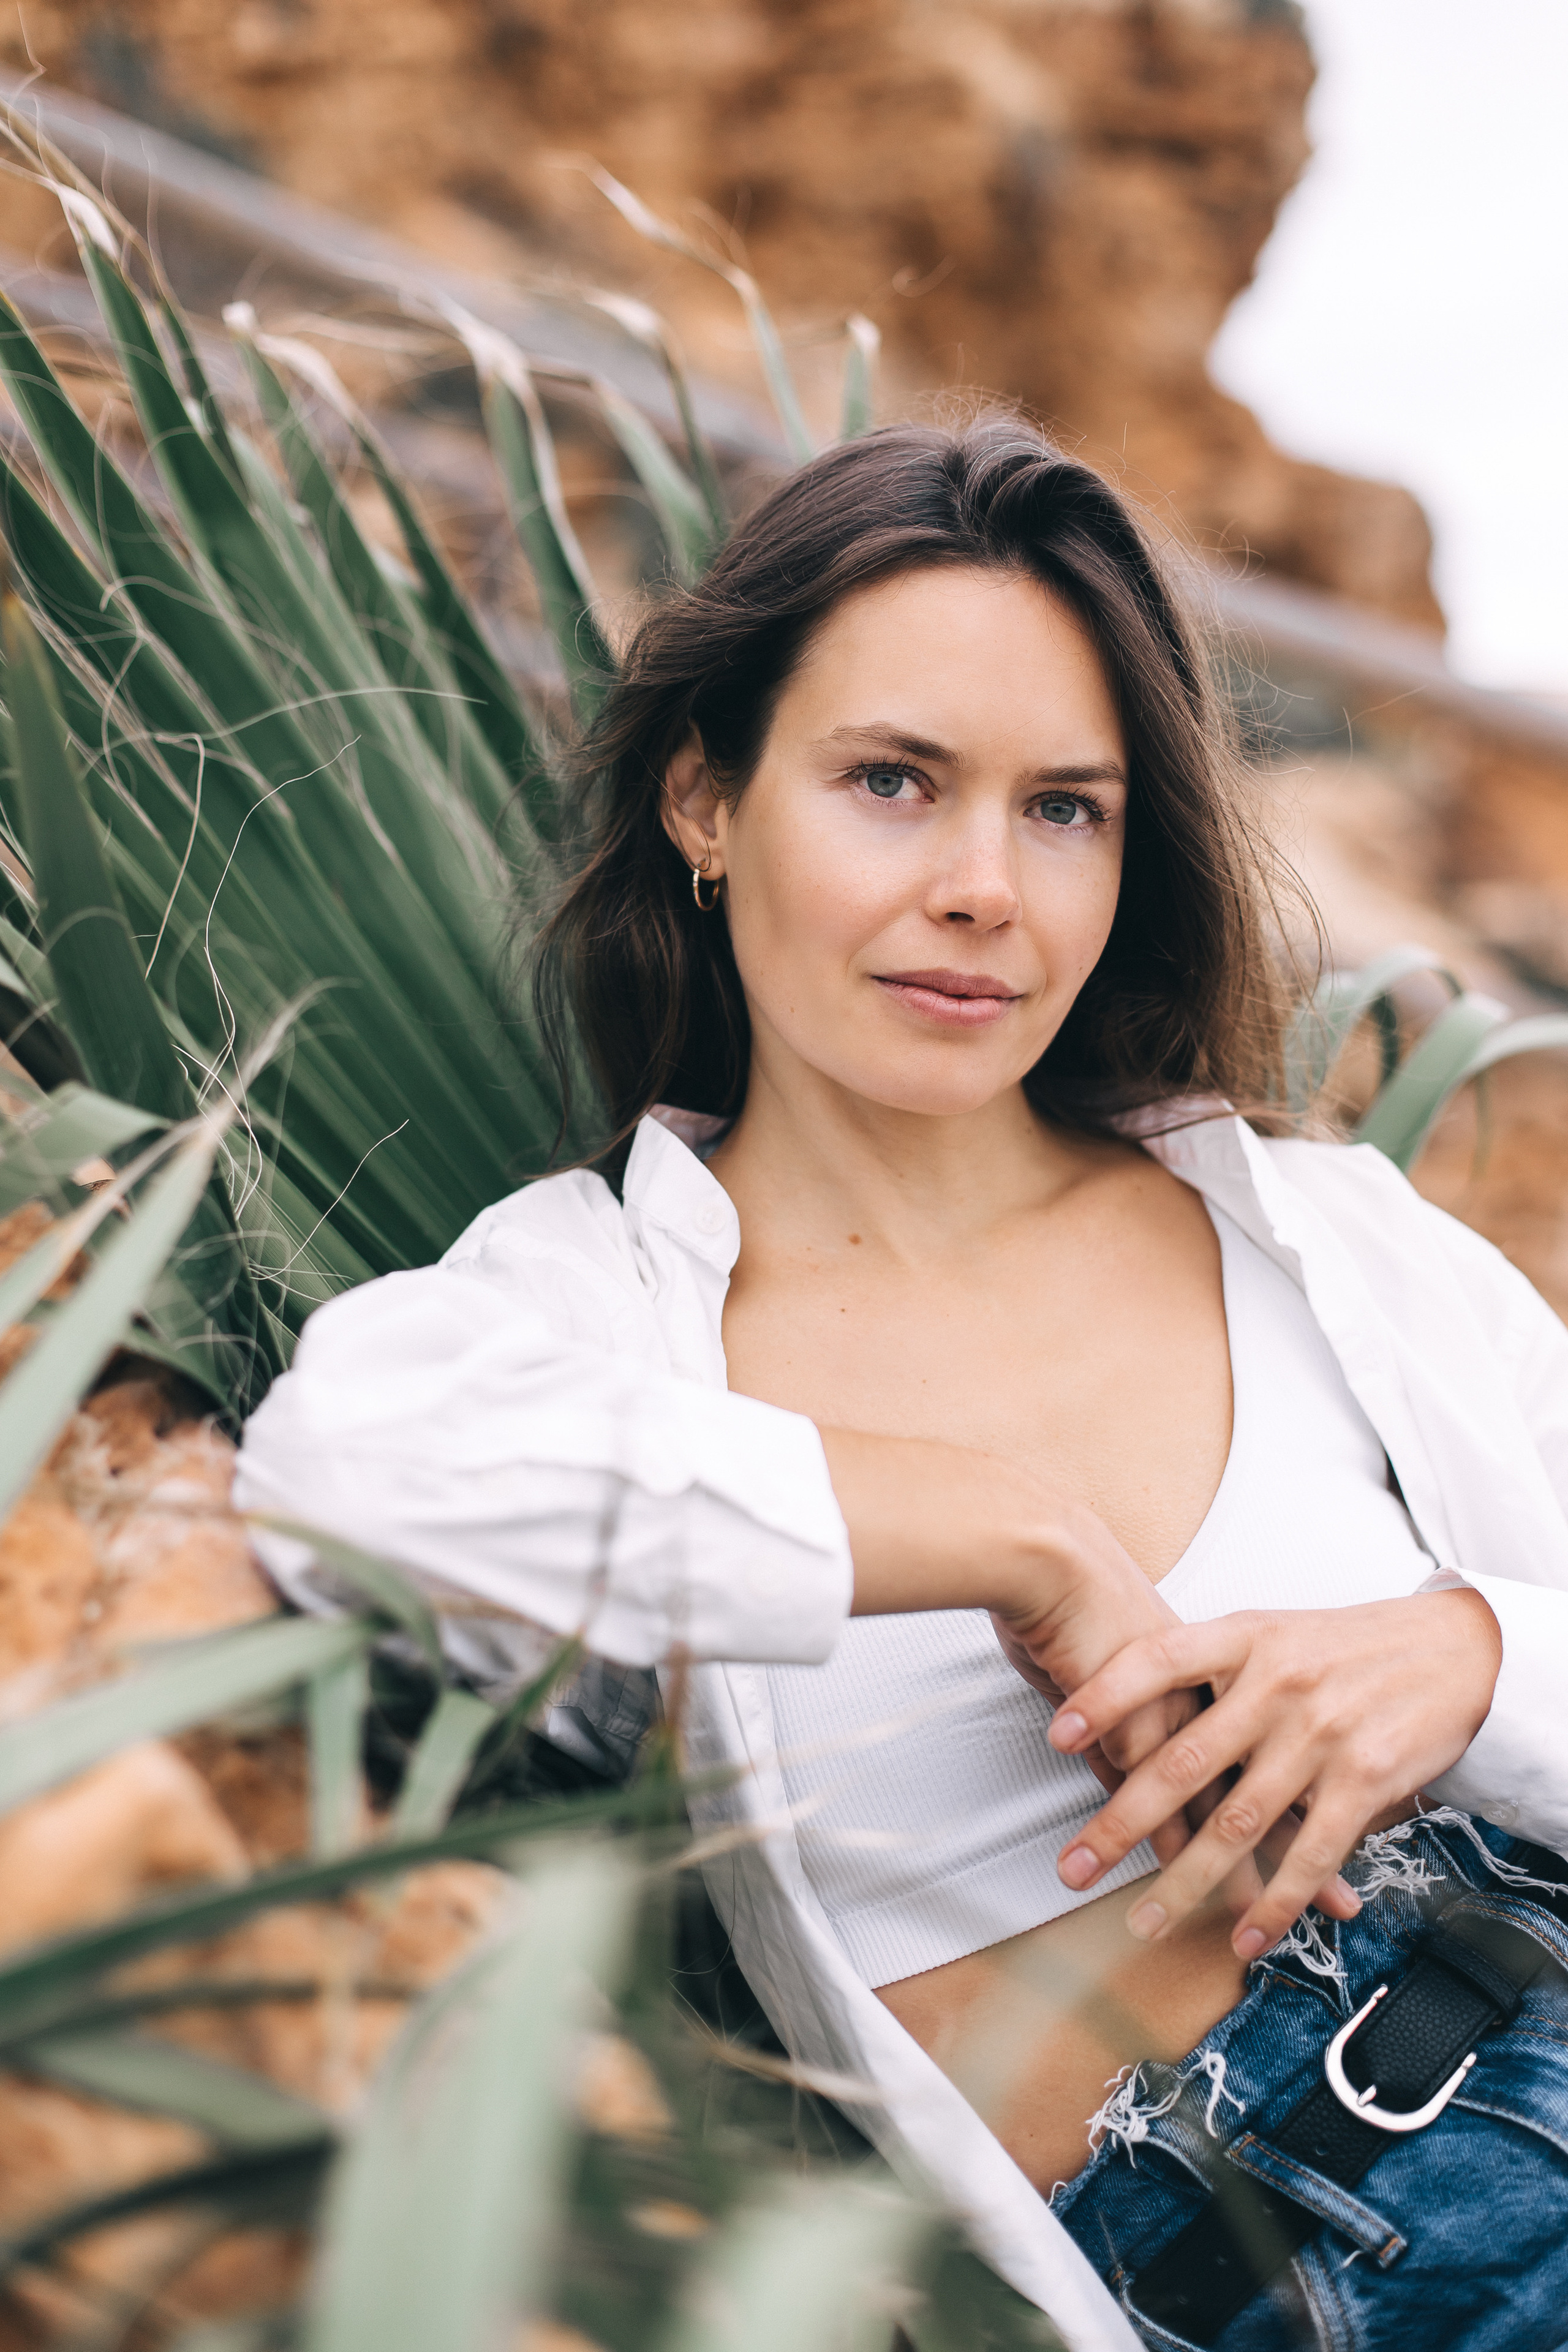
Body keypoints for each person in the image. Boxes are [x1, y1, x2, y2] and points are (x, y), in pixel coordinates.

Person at [235, 418, 1568, 2352]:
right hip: (1234, 2281)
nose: (982, 888)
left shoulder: (1327, 1242)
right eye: (892, 782)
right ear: (706, 799)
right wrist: (1009, 1536)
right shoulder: (592, 1309)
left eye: (1065, 809)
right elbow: (344, 1478)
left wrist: (1468, 1661)